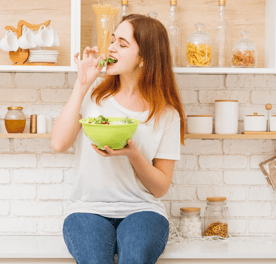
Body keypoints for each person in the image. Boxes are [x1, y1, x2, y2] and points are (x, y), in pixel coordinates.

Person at [51, 14, 185, 264]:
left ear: (144, 58)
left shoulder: (166, 114)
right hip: (87, 210)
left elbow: (160, 188)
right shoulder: (93, 94)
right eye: (113, 40)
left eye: (123, 44)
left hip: (143, 211)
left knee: (134, 258)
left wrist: (133, 154)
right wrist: (81, 85)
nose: (111, 47)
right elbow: (58, 143)